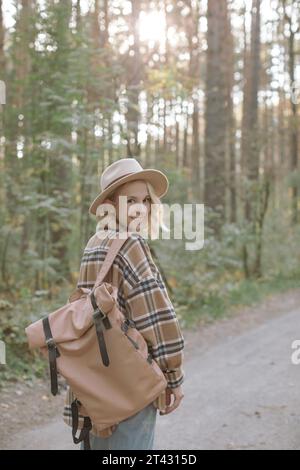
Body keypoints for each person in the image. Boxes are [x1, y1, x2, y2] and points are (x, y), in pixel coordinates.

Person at [64, 158, 185, 450]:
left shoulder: (95, 242)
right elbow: (156, 317)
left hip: (93, 379)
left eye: (145, 200)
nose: (140, 208)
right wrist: (173, 376)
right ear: (109, 203)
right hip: (130, 381)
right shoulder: (130, 244)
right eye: (130, 200)